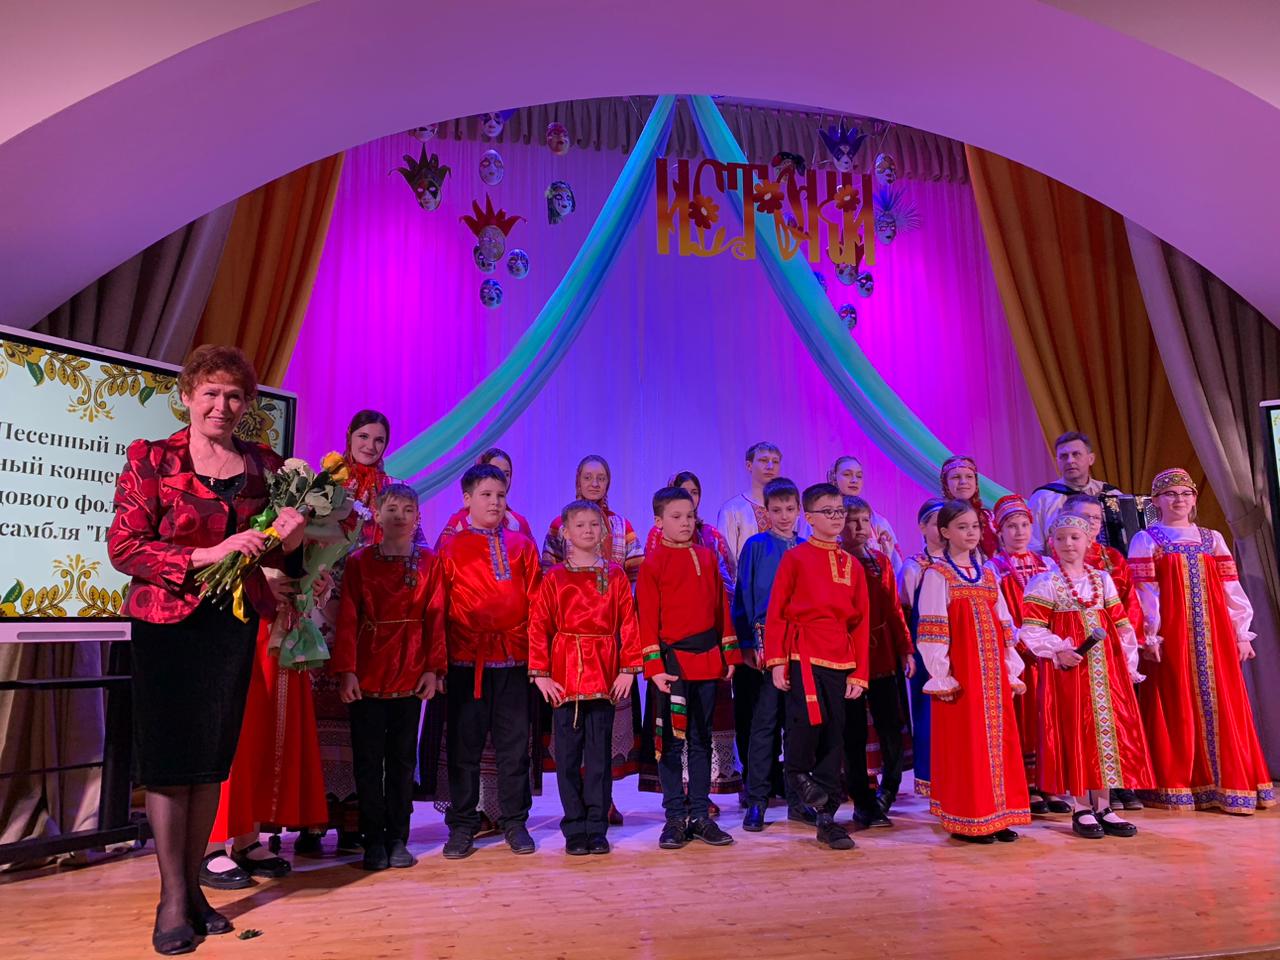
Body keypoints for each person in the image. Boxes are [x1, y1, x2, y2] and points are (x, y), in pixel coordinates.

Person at [107, 344, 305, 954]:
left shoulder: (265, 465)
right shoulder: (151, 458)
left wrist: (292, 540)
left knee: (209, 762)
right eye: (211, 392)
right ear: (188, 395)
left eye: (235, 395)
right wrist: (206, 554)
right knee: (170, 765)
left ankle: (193, 890)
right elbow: (124, 548)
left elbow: (279, 560)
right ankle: (172, 899)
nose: (222, 405)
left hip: (230, 626)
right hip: (166, 627)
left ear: (247, 404)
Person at [1128, 468, 1275, 814]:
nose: (1178, 500)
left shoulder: (1212, 539)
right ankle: (1184, 785)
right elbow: (1145, 592)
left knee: (1225, 701)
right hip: (1173, 636)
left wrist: (1242, 633)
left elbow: (1231, 589)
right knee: (1176, 702)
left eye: (1185, 493)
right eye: (1170, 494)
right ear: (1157, 501)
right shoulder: (1147, 540)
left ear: (1194, 499)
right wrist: (1150, 633)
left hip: (1216, 635)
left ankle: (1230, 784)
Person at [1019, 514, 1152, 839]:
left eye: (1074, 538)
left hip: (1107, 670)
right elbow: (1031, 629)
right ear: (1052, 543)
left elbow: (1121, 625)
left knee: (1105, 731)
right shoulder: (1045, 582)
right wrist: (1058, 650)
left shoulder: (1102, 580)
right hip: (1071, 673)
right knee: (1077, 732)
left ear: (1088, 541)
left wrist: (1128, 664)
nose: (1068, 544)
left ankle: (1104, 805)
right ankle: (1081, 807)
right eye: (1061, 538)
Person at [333, 483, 446, 870]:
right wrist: (347, 671)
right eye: (392, 509)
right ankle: (372, 840)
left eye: (408, 509)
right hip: (368, 669)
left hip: (411, 670)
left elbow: (435, 617)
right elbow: (348, 618)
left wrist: (432, 669)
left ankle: (399, 837)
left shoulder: (430, 562)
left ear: (417, 517)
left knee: (401, 761)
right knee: (368, 761)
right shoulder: (359, 562)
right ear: (378, 515)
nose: (400, 516)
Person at [307, 409, 403, 857]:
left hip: (368, 615)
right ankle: (310, 820)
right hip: (321, 603)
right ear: (349, 436)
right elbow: (304, 537)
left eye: (379, 440)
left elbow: (407, 543)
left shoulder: (392, 491)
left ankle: (352, 820)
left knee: (358, 717)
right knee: (317, 712)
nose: (370, 445)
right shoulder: (327, 482)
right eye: (364, 436)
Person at [438, 463, 543, 858]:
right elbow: (439, 607)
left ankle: (515, 821)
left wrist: (538, 660)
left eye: (500, 495)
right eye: (486, 495)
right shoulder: (450, 548)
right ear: (467, 500)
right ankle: (462, 824)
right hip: (467, 661)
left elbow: (538, 604)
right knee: (464, 747)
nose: (495, 502)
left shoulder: (522, 545)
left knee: (514, 747)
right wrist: (438, 663)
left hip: (514, 660)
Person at [528, 499, 642, 855]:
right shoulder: (555, 577)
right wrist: (541, 675)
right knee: (567, 758)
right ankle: (574, 827)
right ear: (566, 532)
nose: (588, 530)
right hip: (565, 678)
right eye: (580, 525)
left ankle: (597, 827)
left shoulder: (615, 575)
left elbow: (628, 621)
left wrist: (628, 669)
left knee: (598, 759)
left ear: (604, 531)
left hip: (604, 676)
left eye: (594, 524)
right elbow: (538, 625)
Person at [916, 500, 1030, 844]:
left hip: (992, 675)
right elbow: (933, 628)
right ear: (945, 532)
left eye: (975, 527)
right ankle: (969, 817)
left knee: (998, 742)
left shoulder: (989, 574)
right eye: (962, 527)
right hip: (963, 675)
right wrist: (941, 673)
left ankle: (999, 814)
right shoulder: (938, 575)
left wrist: (1011, 667)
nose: (970, 533)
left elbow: (1004, 624)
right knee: (968, 744)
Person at [763, 483, 869, 850]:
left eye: (840, 511)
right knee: (805, 726)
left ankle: (827, 819)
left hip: (840, 657)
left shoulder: (852, 564)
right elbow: (777, 611)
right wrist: (777, 661)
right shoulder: (795, 558)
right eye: (829, 511)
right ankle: (795, 774)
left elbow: (862, 622)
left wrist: (860, 672)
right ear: (809, 518)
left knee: (834, 736)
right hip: (803, 654)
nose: (837, 518)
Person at [639, 486, 739, 850]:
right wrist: (654, 667)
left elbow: (720, 609)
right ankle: (674, 818)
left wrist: (729, 654)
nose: (685, 523)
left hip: (708, 662)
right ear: (659, 521)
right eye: (676, 517)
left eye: (690, 516)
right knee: (670, 744)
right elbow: (646, 618)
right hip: (673, 667)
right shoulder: (653, 563)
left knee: (701, 739)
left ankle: (699, 815)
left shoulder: (707, 557)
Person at [1058, 491, 1148, 811]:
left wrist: (1130, 648)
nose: (1092, 524)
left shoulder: (1112, 559)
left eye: (1096, 519)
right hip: (1075, 652)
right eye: (1085, 518)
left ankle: (1118, 784)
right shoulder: (1058, 556)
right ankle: (1083, 796)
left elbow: (1129, 603)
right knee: (1082, 720)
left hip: (1111, 651)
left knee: (1117, 718)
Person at [733, 477, 812, 831]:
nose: (784, 516)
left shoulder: (807, 548)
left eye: (790, 509)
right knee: (764, 724)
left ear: (799, 511)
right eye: (776, 510)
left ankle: (798, 800)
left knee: (797, 725)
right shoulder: (755, 546)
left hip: (802, 644)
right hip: (766, 644)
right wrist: (747, 643)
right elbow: (743, 596)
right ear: (765, 512)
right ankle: (757, 801)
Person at [984, 494, 1058, 815]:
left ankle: (1050, 781)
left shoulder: (1047, 564)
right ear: (999, 531)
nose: (1019, 532)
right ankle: (1027, 784)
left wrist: (1052, 642)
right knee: (1024, 716)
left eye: (1024, 525)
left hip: (1048, 653)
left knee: (1048, 715)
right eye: (1011, 526)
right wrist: (1020, 641)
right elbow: (998, 611)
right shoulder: (994, 568)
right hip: (1018, 654)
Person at [841, 496, 913, 829]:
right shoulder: (837, 561)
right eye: (851, 520)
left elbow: (894, 610)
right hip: (849, 656)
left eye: (864, 521)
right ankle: (862, 800)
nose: (859, 528)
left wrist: (905, 649)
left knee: (890, 727)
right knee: (853, 730)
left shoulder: (880, 561)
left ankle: (889, 789)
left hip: (882, 652)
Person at [898, 498, 946, 798]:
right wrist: (909, 651)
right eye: (936, 523)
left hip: (958, 646)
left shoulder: (965, 563)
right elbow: (905, 611)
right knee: (928, 710)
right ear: (922, 527)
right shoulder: (914, 566)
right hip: (925, 647)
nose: (942, 530)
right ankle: (930, 778)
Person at [1027, 431, 1122, 556]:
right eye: (1064, 456)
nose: (1070, 460)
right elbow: (1033, 547)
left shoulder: (1112, 495)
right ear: (1057, 461)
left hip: (1111, 566)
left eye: (1076, 454)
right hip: (1057, 566)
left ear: (1091, 459)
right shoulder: (1043, 498)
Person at [717, 441, 811, 561]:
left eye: (775, 462)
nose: (770, 466)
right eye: (763, 460)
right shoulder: (732, 509)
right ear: (749, 465)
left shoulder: (789, 509)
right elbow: (725, 559)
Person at [435, 447, 534, 546]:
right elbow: (443, 552)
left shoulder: (517, 522)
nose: (501, 478)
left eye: (506, 474)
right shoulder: (460, 521)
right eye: (495, 471)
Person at [829, 455, 902, 571]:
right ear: (834, 478)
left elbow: (896, 567)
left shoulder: (878, 522)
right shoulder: (824, 518)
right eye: (847, 474)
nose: (854, 480)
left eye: (859, 476)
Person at [939, 455, 997, 558]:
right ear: (946, 484)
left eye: (969, 477)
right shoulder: (938, 518)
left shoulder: (988, 517)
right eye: (956, 477)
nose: (963, 482)